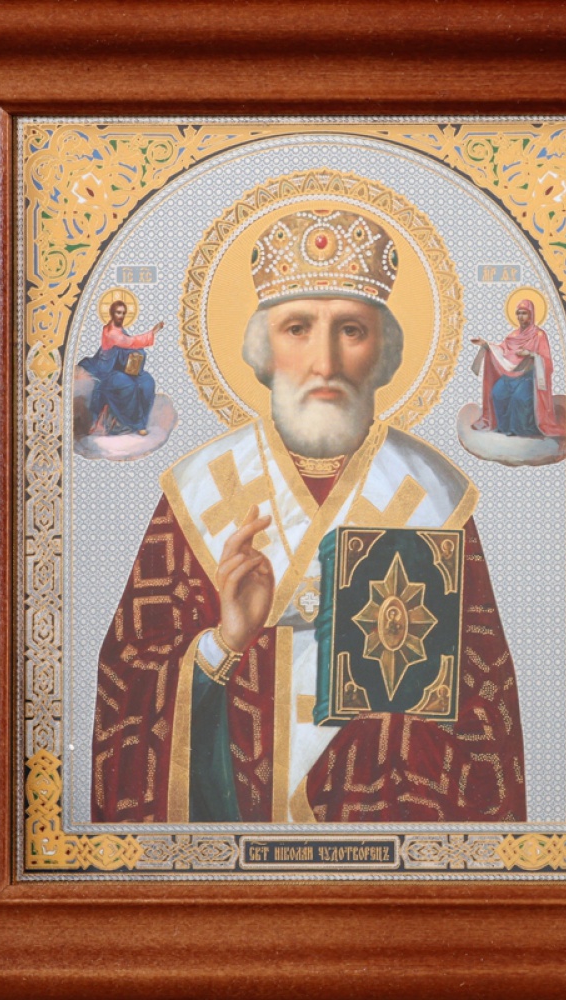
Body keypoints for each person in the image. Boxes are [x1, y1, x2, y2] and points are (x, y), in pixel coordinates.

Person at [91, 209, 526, 824]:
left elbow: (486, 722)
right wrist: (224, 645)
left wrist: (386, 736)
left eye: (351, 330)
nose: (325, 362)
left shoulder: (433, 496)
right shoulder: (201, 489)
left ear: (383, 352)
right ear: (263, 350)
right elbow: (130, 695)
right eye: (297, 328)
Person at [471, 299, 565, 437]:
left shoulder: (539, 335)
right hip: (511, 377)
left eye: (524, 313)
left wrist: (531, 355)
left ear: (531, 314)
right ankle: (504, 427)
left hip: (529, 377)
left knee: (519, 397)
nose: (521, 317)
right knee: (497, 392)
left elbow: (546, 360)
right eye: (518, 313)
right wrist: (485, 345)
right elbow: (501, 351)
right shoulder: (513, 336)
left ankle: (521, 429)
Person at [79, 300, 164, 435]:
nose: (121, 316)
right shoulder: (111, 332)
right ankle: (136, 424)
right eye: (118, 313)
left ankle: (143, 420)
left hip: (121, 368)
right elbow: (131, 342)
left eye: (123, 313)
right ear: (112, 313)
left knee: (147, 382)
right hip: (107, 371)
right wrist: (153, 332)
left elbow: (127, 345)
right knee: (128, 385)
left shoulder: (119, 330)